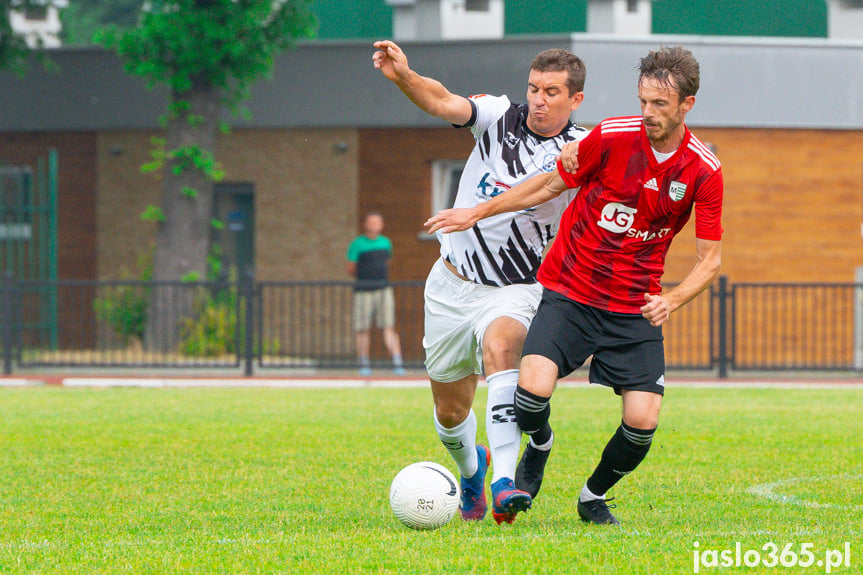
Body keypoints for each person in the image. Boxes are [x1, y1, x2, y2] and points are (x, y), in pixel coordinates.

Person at [426, 46, 723, 525]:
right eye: (643, 100)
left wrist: (671, 299)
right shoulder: (610, 136)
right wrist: (475, 213)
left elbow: (711, 260)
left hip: (633, 306)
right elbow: (548, 185)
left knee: (644, 421)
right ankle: (538, 445)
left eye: (660, 105)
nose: (647, 112)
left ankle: (592, 496)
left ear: (686, 105)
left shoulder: (703, 170)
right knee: (530, 394)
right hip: (569, 291)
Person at [372, 40, 588, 524]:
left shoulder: (581, 150)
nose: (538, 99)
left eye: (552, 91)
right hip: (451, 283)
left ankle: (504, 483)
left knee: (502, 352)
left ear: (574, 100)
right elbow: (442, 100)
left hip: (515, 286)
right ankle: (473, 468)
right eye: (533, 88)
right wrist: (406, 76)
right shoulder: (497, 117)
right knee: (450, 413)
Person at [346, 211, 405, 376]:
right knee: (362, 328)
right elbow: (351, 267)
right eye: (371, 222)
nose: (374, 226)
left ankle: (397, 362)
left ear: (382, 225)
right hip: (363, 290)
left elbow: (387, 262)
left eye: (377, 222)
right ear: (365, 225)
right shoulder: (357, 244)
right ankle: (363, 362)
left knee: (388, 326)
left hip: (383, 289)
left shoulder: (386, 243)